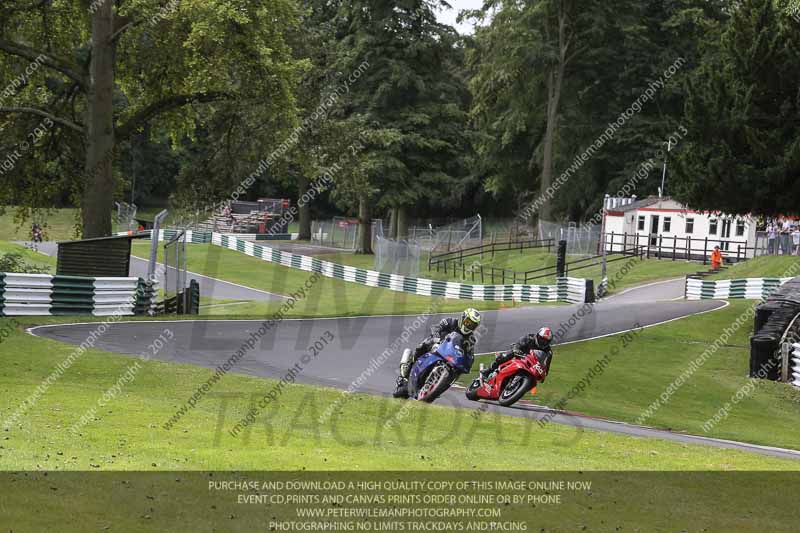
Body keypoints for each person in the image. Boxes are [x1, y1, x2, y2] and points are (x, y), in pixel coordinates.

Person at [394, 308, 482, 393]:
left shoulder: (471, 339)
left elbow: (470, 354)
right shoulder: (450, 321)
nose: (468, 326)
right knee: (423, 345)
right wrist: (436, 337)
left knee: (458, 371)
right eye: (467, 322)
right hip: (437, 345)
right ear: (462, 318)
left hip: (451, 357)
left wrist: (468, 361)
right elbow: (437, 328)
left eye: (472, 325)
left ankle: (437, 387)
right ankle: (406, 372)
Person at [481, 327, 554, 381]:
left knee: (534, 379)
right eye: (542, 340)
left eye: (546, 342)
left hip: (531, 364)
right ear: (538, 336)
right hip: (519, 354)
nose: (543, 343)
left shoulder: (549, 352)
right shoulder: (530, 337)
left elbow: (546, 367)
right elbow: (518, 344)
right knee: (508, 355)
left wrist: (543, 375)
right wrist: (516, 349)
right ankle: (488, 370)